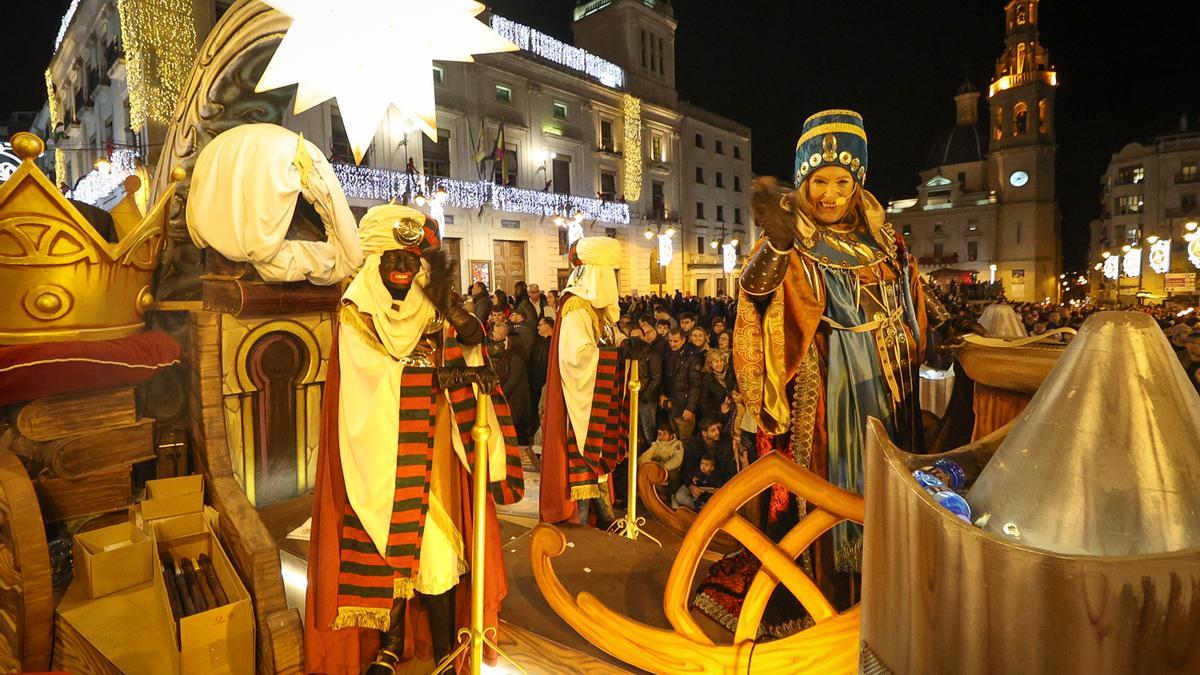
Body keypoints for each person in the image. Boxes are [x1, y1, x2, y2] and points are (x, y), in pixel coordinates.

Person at [694, 110, 941, 637]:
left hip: (890, 389)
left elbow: (912, 305)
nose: (829, 194)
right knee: (834, 484)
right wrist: (779, 247)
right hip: (830, 395)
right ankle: (823, 595)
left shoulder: (885, 242)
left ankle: (885, 584)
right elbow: (756, 300)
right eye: (819, 181)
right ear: (803, 182)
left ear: (859, 183)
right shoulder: (793, 237)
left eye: (841, 182)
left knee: (888, 482)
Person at [305, 206, 524, 674]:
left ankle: (448, 651)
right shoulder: (354, 313)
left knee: (438, 554)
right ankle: (391, 642)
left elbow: (471, 340)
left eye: (410, 262)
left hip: (433, 450)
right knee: (386, 545)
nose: (404, 272)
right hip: (378, 454)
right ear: (375, 264)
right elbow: (367, 385)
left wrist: (453, 310)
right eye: (393, 262)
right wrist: (434, 376)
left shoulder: (431, 307)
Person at [539, 238, 628, 528]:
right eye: (609, 274)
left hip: (593, 397)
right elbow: (577, 359)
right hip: (578, 400)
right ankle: (579, 526)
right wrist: (615, 355)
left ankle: (602, 515)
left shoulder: (593, 307)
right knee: (582, 456)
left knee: (598, 457)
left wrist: (627, 343)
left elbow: (609, 337)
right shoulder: (576, 306)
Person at [662, 328, 702, 441]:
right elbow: (666, 377)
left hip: (684, 407)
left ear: (683, 340)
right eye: (670, 341)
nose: (672, 344)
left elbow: (695, 385)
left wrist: (690, 408)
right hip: (671, 405)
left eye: (675, 341)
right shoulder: (669, 353)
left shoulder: (692, 357)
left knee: (685, 440)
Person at [638, 423, 683, 501]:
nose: (661, 436)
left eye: (664, 434)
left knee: (673, 475)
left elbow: (677, 459)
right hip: (657, 468)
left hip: (670, 469)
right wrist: (646, 465)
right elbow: (647, 455)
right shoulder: (656, 445)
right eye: (660, 433)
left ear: (671, 435)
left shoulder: (677, 445)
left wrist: (663, 467)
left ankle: (673, 496)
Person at [528, 317, 554, 439]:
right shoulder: (537, 341)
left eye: (540, 324)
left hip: (547, 382)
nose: (538, 327)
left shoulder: (554, 342)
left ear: (549, 326)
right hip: (534, 382)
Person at [699, 349, 736, 420]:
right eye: (716, 362)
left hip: (734, 411)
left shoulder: (730, 373)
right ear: (710, 364)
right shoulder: (706, 379)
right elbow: (704, 404)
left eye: (721, 360)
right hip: (718, 415)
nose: (720, 364)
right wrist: (719, 411)